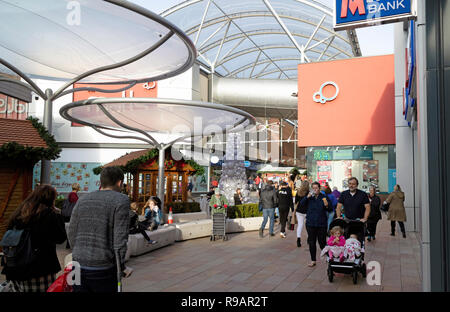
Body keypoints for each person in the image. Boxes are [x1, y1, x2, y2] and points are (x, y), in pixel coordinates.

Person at [68, 166, 131, 293]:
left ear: (101, 181)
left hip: (77, 265)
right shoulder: (121, 200)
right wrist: (121, 267)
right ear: (119, 182)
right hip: (102, 267)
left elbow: (72, 232)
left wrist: (78, 253)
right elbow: (120, 239)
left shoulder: (83, 199)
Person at [1, 185, 67, 292]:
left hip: (14, 268)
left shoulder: (19, 213)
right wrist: (58, 215)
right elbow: (61, 238)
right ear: (51, 199)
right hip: (39, 270)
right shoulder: (49, 215)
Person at [300, 181, 332, 267]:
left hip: (321, 223)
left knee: (322, 242)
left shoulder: (324, 197)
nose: (315, 190)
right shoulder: (309, 197)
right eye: (313, 188)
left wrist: (327, 205)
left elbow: (330, 209)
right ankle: (313, 260)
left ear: (319, 189)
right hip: (310, 223)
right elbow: (301, 205)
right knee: (311, 242)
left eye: (316, 188)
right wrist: (307, 197)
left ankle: (329, 257)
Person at [62, 182, 80, 249]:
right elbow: (75, 206)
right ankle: (69, 245)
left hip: (68, 214)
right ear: (77, 188)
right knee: (72, 229)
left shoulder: (71, 194)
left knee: (70, 229)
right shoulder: (73, 195)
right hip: (71, 215)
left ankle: (68, 244)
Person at [294, 180, 310, 247]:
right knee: (308, 226)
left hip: (299, 211)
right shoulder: (308, 193)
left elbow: (295, 202)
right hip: (307, 211)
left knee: (300, 225)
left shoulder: (298, 192)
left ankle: (298, 239)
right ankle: (309, 238)